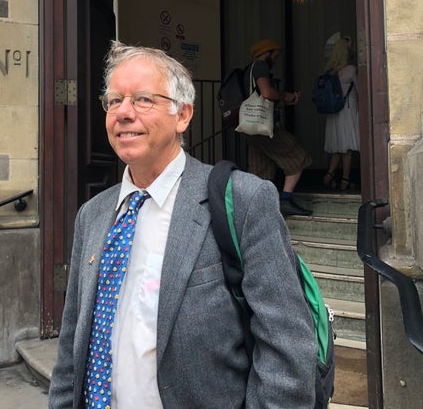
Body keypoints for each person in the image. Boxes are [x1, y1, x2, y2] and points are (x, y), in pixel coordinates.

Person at [49, 41, 317, 408]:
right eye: (114, 100)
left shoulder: (244, 200)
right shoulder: (92, 215)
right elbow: (71, 347)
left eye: (143, 99)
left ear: (183, 115)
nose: (123, 112)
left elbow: (287, 350)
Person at [238, 38, 313, 217]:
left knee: (260, 170)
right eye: (275, 55)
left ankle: (255, 211)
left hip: (250, 127)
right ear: (267, 52)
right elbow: (266, 92)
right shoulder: (261, 66)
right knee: (297, 155)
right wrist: (285, 96)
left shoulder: (248, 70)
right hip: (263, 126)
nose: (276, 59)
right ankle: (285, 200)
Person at [322, 35, 360, 191]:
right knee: (347, 147)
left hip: (333, 112)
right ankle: (345, 179)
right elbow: (360, 90)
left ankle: (329, 176)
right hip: (347, 110)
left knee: (338, 147)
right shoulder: (350, 70)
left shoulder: (330, 72)